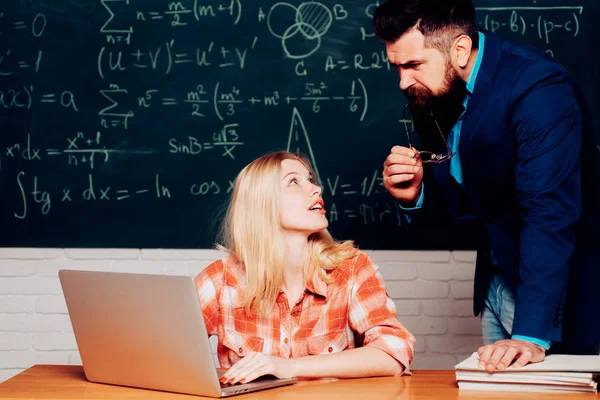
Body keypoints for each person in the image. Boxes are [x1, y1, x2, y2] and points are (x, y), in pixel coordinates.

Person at [374, 0, 600, 372]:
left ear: (460, 49)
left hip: (552, 299)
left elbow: (550, 214)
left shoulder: (540, 89)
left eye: (413, 65)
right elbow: (468, 194)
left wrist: (530, 334)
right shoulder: (435, 90)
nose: (403, 81)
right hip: (496, 284)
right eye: (396, 66)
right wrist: (417, 192)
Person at [194, 151, 415, 384]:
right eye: (293, 181)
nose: (316, 189)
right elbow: (163, 352)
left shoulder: (352, 270)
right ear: (262, 204)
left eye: (311, 180)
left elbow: (393, 351)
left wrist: (288, 367)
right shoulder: (221, 279)